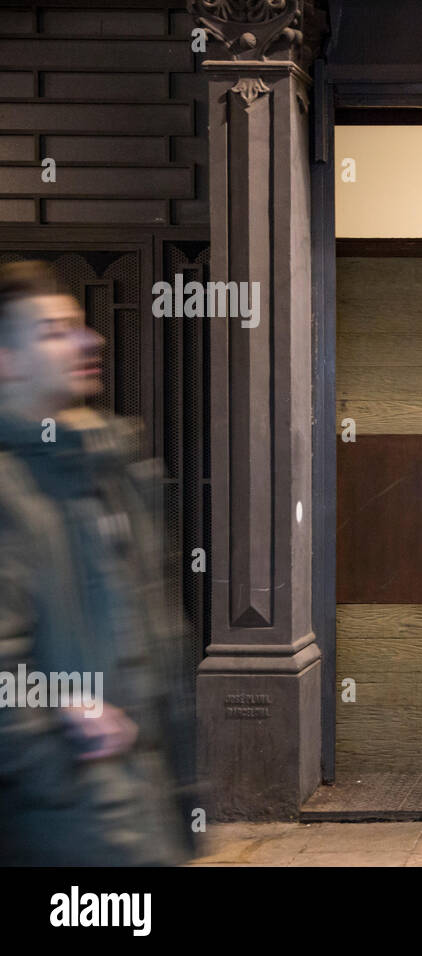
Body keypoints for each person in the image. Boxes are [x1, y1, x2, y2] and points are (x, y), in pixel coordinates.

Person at [0, 260, 200, 865]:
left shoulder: (107, 464)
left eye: (82, 326)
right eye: (55, 331)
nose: (91, 340)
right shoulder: (11, 489)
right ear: (6, 360)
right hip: (69, 828)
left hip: (143, 811)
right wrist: (67, 774)